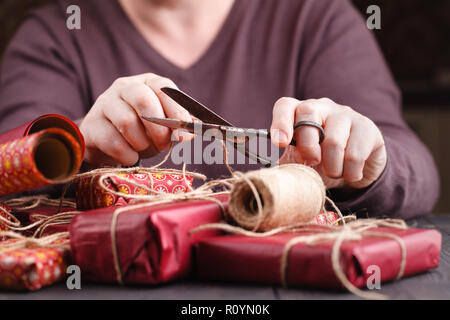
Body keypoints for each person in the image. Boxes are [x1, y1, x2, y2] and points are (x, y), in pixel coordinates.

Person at [0, 0, 440, 219]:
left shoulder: (317, 18)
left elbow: (415, 171)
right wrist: (78, 147)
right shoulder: (55, 35)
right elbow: (7, 171)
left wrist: (364, 164)